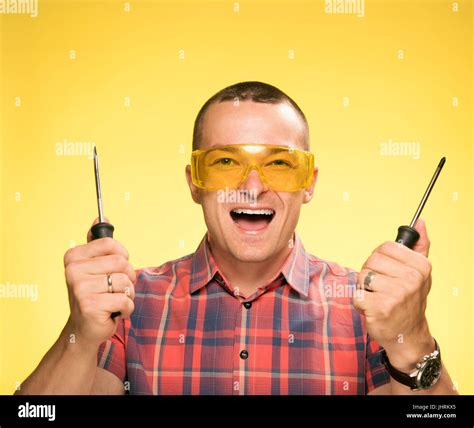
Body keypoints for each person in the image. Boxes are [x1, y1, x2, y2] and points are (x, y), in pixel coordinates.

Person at [17, 81, 455, 395]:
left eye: (279, 164)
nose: (251, 186)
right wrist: (79, 332)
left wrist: (411, 340)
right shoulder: (128, 305)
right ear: (194, 182)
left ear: (309, 183)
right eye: (226, 161)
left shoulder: (372, 309)